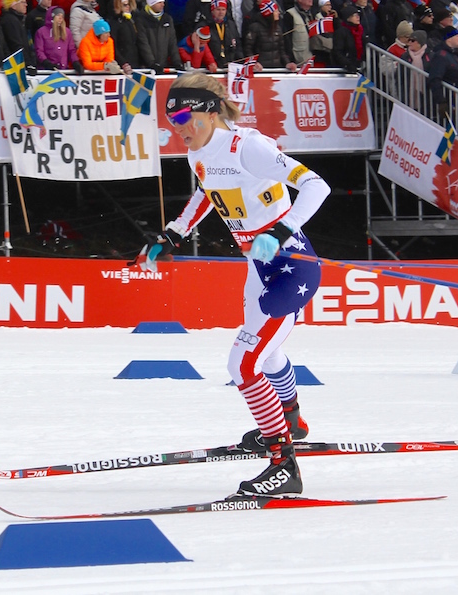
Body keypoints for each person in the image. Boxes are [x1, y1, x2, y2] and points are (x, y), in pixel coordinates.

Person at [136, 72, 329, 496]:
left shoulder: (249, 147)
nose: (179, 128)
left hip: (290, 265)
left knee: (242, 364)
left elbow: (317, 185)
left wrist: (281, 230)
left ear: (208, 110)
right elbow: (209, 191)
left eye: (185, 116)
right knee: (268, 352)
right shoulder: (198, 153)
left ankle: (284, 467)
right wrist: (172, 233)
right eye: (172, 120)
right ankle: (291, 421)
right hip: (257, 267)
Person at [138, 0, 183, 71]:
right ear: (151, 3)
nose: (163, 5)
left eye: (163, 2)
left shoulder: (167, 19)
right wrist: (151, 62)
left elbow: (172, 41)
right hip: (147, 67)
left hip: (163, 64)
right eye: (159, 2)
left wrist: (177, 61)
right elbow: (143, 42)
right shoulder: (141, 19)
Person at [35, 6, 83, 71]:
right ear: (52, 17)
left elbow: (71, 50)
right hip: (47, 70)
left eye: (62, 16)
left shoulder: (67, 32)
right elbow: (39, 51)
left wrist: (75, 62)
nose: (60, 18)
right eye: (58, 15)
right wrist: (46, 63)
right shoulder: (41, 32)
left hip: (63, 70)